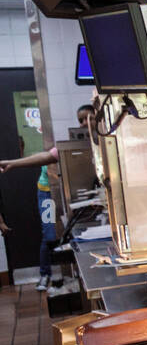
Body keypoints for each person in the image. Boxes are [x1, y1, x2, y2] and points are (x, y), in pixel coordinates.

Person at [0, 104, 94, 290]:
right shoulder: (71, 144)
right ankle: (45, 275)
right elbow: (45, 157)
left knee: (72, 232)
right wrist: (12, 163)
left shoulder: (100, 141)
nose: (84, 123)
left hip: (69, 197)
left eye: (88, 118)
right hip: (47, 195)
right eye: (81, 120)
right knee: (50, 234)